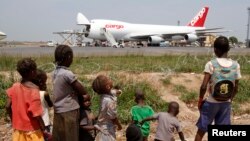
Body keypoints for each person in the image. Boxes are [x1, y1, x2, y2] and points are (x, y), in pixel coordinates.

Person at [194, 36, 242, 141]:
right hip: (226, 103)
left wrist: (200, 100)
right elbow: (236, 87)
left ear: (215, 49)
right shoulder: (236, 65)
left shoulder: (211, 64)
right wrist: (229, 99)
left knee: (201, 130)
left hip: (211, 102)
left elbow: (203, 86)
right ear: (228, 49)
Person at [52, 45, 88, 141]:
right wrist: (86, 96)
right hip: (69, 109)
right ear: (68, 57)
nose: (72, 59)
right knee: (71, 135)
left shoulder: (55, 72)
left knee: (61, 135)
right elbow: (81, 90)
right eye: (71, 57)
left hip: (58, 109)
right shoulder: (67, 74)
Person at [5, 58, 45, 141]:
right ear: (32, 72)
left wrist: (13, 120)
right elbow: (36, 114)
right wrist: (43, 126)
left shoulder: (15, 86)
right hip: (32, 131)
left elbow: (7, 106)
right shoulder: (34, 90)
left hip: (18, 130)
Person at [92, 75, 122, 141]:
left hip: (101, 127)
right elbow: (113, 117)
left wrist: (119, 91)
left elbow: (114, 92)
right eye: (109, 79)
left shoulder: (104, 95)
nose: (110, 79)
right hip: (107, 130)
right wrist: (119, 125)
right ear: (108, 86)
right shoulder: (110, 101)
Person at [32, 69, 53, 133]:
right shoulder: (44, 93)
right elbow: (50, 105)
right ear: (41, 82)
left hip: (34, 123)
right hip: (45, 122)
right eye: (45, 82)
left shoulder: (29, 93)